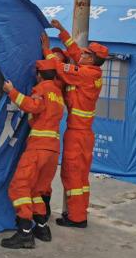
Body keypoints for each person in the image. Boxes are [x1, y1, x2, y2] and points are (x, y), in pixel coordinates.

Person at [42, 19, 108, 228]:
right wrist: (62, 31)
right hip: (82, 133)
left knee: (73, 174)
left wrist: (46, 51)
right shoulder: (91, 69)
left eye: (87, 54)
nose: (82, 54)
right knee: (79, 177)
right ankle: (78, 214)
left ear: (93, 59)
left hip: (78, 133)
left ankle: (77, 218)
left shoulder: (85, 74)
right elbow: (75, 52)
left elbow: (59, 67)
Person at [0, 59, 65, 249]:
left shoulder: (42, 89)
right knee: (37, 190)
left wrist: (11, 91)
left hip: (38, 147)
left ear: (38, 75)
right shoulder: (58, 92)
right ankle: (42, 228)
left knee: (19, 187)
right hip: (53, 149)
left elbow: (33, 106)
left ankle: (25, 233)